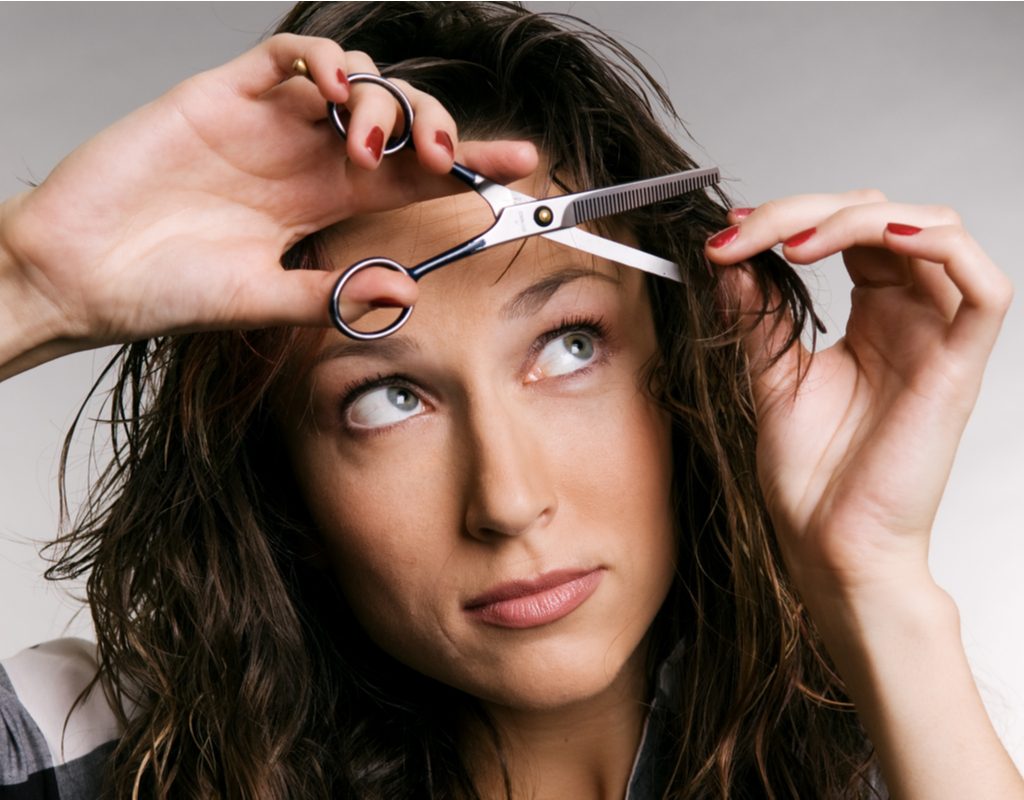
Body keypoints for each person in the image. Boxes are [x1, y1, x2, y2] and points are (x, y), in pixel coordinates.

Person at [0, 2, 1020, 798]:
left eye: (568, 345)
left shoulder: (901, 749)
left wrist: (875, 579)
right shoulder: (87, 746)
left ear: (685, 372)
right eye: (384, 396)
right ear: (280, 475)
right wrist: (26, 288)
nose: (507, 499)